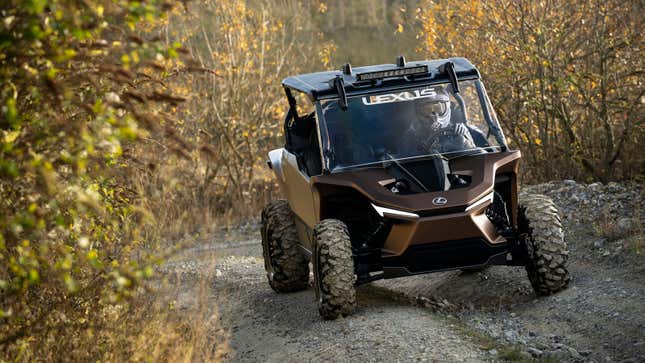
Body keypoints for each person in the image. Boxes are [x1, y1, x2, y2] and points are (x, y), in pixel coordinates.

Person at [400, 86, 476, 155]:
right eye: (427, 110)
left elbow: (474, 158)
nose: (434, 116)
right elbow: (403, 163)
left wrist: (464, 136)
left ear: (448, 107)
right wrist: (425, 147)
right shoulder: (411, 136)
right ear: (418, 112)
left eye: (438, 109)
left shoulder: (458, 130)